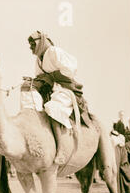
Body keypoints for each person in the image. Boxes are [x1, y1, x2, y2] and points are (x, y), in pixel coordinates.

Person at [28, 31, 90, 165]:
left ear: (42, 41)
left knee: (52, 107)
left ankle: (61, 150)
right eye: (30, 45)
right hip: (50, 91)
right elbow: (40, 77)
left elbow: (70, 70)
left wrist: (50, 77)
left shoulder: (54, 51)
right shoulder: (38, 60)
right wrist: (33, 81)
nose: (31, 47)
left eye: (33, 44)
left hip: (65, 89)